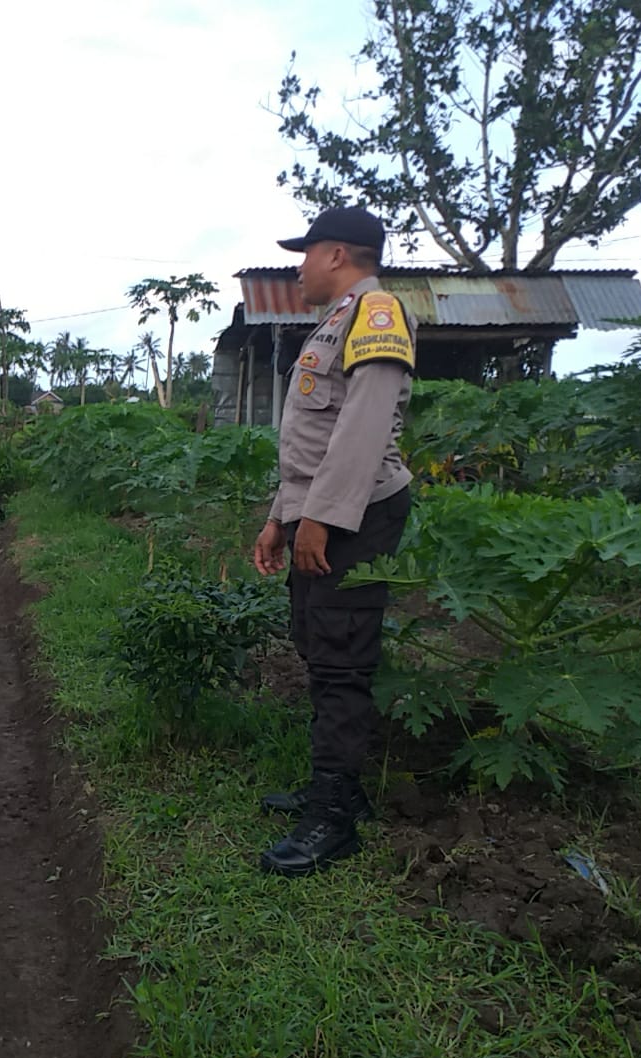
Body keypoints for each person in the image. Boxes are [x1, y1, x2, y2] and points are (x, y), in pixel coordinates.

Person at [252, 207, 415, 877]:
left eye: (307, 252)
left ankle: (334, 821)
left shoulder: (378, 315)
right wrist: (280, 516)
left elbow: (363, 429)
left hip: (357, 514)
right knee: (318, 643)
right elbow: (310, 439)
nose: (298, 266)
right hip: (321, 510)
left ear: (338, 254)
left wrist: (321, 518)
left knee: (343, 658)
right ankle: (334, 786)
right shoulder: (337, 321)